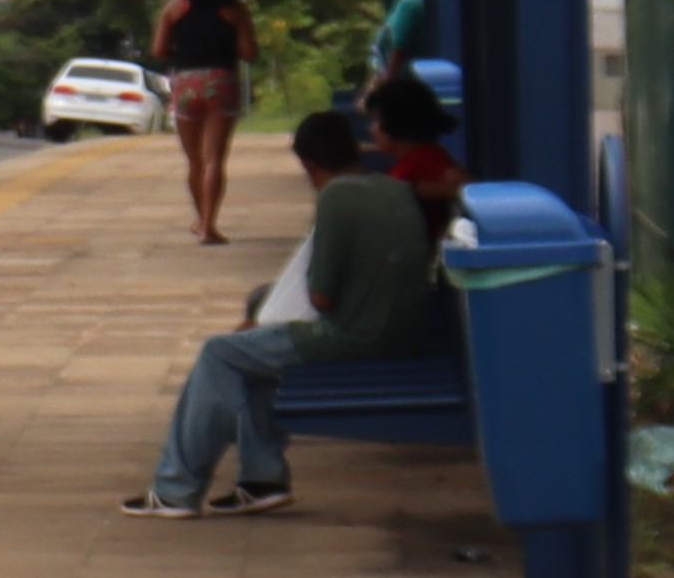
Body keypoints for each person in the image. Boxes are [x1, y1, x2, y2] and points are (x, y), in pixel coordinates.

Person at [123, 106, 438, 516]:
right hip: (405, 328)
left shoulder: (337, 198)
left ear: (309, 164)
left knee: (219, 353)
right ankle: (260, 478)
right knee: (255, 335)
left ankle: (175, 489)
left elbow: (322, 297)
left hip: (356, 337)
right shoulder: (393, 188)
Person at [147, 0, 262, 245]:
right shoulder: (234, 11)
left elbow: (159, 51)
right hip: (221, 82)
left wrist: (185, 54)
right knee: (214, 159)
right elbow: (250, 53)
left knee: (194, 161)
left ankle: (199, 220)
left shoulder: (175, 8)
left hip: (185, 82)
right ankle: (209, 226)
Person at [365, 69, 464, 240]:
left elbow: (466, 188)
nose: (372, 129)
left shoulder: (429, 157)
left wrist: (413, 190)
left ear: (395, 123)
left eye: (376, 121)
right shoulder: (411, 159)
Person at [369, 0, 430, 87]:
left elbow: (399, 48)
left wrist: (387, 84)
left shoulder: (407, 5)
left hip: (404, 85)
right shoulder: (421, 3)